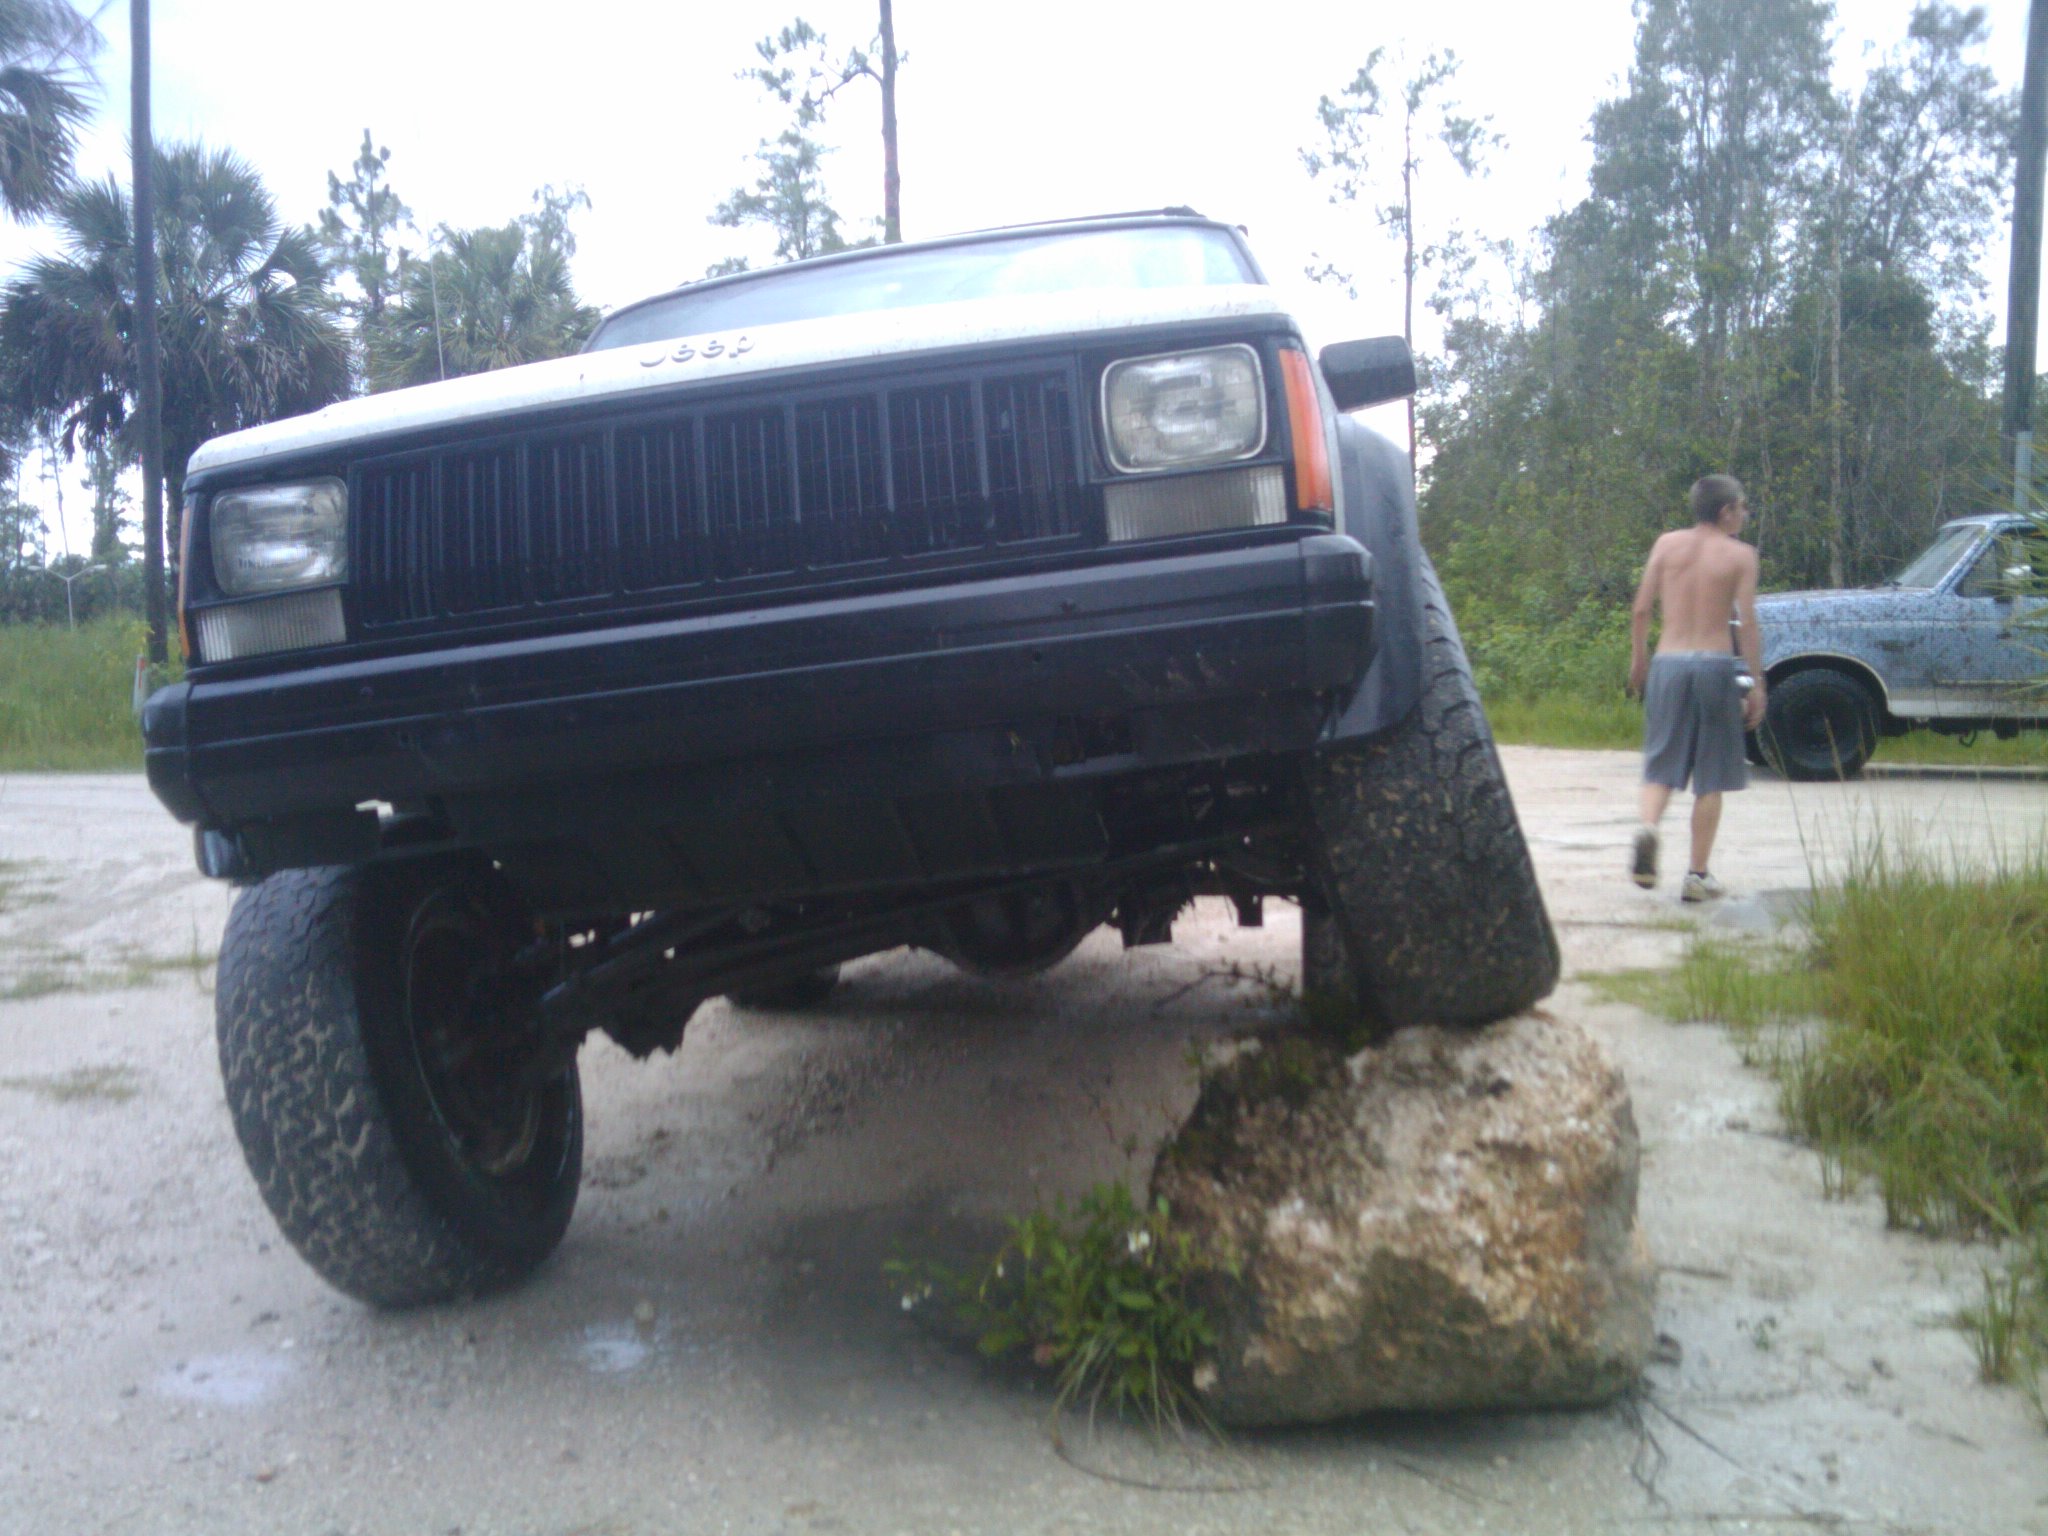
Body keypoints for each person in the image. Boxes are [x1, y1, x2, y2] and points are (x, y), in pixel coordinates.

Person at [1627, 474, 1765, 901]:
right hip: (1713, 665)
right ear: (1725, 511)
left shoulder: (1666, 545)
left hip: (1668, 663)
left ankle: (1648, 829)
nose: (1745, 514)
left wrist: (1639, 660)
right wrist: (1757, 683)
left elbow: (1641, 608)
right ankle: (1697, 875)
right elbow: (1747, 622)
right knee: (1711, 775)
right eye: (1742, 506)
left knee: (1661, 764)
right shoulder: (1741, 555)